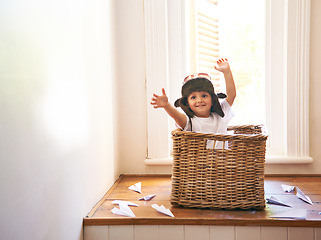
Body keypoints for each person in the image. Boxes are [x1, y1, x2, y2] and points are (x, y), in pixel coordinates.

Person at [150, 58, 236, 148]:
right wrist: (167, 105)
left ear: (212, 100)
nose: (199, 100)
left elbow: (231, 95)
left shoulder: (220, 116)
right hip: (198, 162)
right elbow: (177, 116)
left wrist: (227, 71)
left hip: (223, 162)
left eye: (204, 96)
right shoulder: (190, 122)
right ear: (187, 103)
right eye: (193, 97)